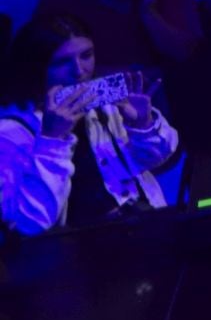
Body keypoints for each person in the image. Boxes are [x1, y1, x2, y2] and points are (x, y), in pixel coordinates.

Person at [0, 16, 177, 235]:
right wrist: (52, 139)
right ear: (36, 67)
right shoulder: (9, 133)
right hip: (73, 253)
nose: (79, 70)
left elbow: (157, 158)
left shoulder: (106, 105)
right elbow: (30, 225)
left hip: (140, 225)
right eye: (62, 62)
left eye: (86, 55)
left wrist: (142, 124)